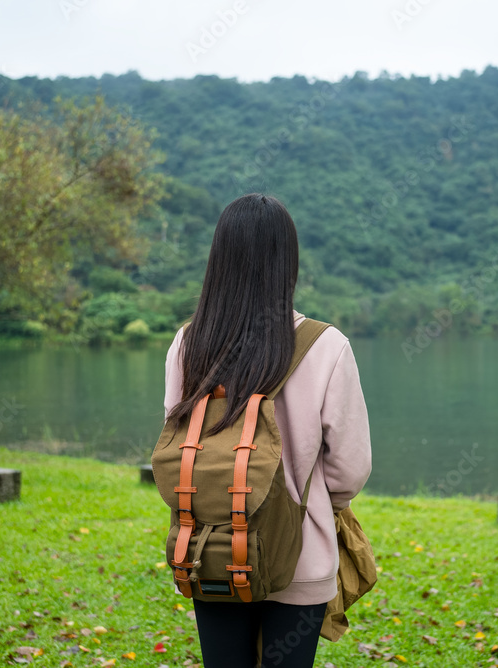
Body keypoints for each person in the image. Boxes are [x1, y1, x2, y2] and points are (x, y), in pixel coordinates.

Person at [163, 193, 372, 668]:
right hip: (301, 553)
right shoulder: (327, 346)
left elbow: (179, 447)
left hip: (212, 550)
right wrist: (312, 503)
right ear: (287, 262)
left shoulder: (187, 343)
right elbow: (351, 468)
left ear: (220, 259)